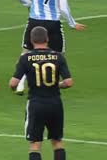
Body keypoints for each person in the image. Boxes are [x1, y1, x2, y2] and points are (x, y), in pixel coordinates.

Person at [13, 0, 86, 95]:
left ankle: (20, 84)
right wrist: (72, 23)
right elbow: (64, 7)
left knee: (26, 52)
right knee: (58, 54)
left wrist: (30, 4)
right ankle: (52, 82)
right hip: (53, 22)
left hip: (35, 20)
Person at [10, 26, 73, 160]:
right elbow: (68, 82)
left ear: (32, 40)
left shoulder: (25, 58)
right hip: (55, 103)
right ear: (47, 39)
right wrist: (58, 84)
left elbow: (13, 83)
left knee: (35, 144)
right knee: (57, 141)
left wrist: (14, 89)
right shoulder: (58, 56)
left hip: (36, 104)